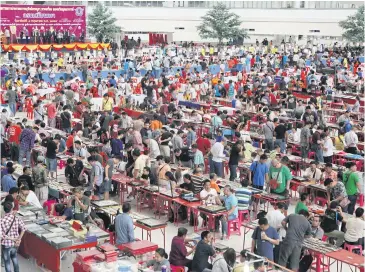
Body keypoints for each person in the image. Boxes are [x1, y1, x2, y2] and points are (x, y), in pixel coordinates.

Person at [1, 201, 25, 272]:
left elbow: (1, 234)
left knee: (7, 262)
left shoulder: (1, 220)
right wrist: (19, 239)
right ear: (11, 209)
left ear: (4, 209)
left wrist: (11, 239)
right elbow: (23, 228)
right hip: (15, 244)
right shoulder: (16, 218)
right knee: (14, 258)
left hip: (6, 244)